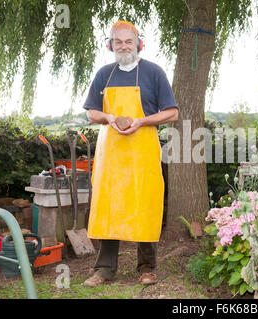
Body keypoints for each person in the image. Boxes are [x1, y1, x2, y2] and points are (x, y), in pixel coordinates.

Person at [82, 21, 178, 287]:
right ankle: (104, 270)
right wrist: (109, 117)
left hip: (143, 150)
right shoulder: (104, 74)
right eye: (118, 42)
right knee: (108, 206)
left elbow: (172, 112)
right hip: (110, 153)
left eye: (129, 41)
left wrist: (141, 121)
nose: (124, 46)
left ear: (139, 43)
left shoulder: (153, 73)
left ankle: (147, 268)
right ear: (110, 45)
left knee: (145, 204)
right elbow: (91, 113)